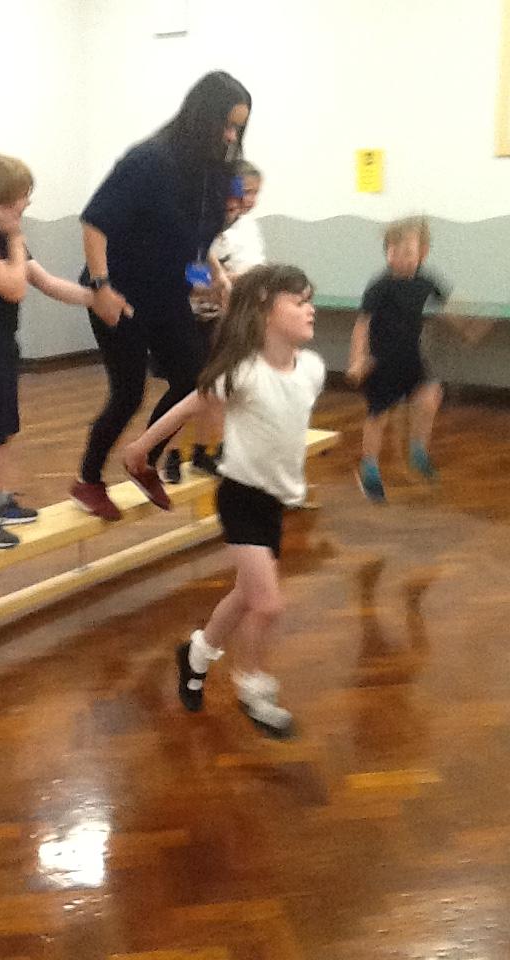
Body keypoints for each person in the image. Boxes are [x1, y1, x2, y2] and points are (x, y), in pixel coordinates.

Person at [124, 264, 325, 736]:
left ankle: (196, 654)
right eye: (298, 301)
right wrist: (141, 448)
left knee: (243, 595)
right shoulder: (242, 373)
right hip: (240, 498)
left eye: (309, 300)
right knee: (267, 604)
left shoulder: (312, 370)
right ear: (264, 311)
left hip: (274, 502)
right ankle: (252, 688)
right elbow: (191, 404)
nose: (310, 309)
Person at [71, 71, 252, 521]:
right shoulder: (149, 160)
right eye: (226, 124)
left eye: (239, 128)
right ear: (203, 116)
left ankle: (143, 459)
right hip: (121, 295)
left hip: (168, 294)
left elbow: (195, 240)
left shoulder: (215, 172)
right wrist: (101, 287)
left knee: (196, 379)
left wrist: (215, 275)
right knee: (128, 392)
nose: (231, 136)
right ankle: (88, 479)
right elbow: (95, 223)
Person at [0, 153, 122, 547]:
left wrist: (95, 298)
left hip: (0, 345)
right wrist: (16, 239)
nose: (27, 203)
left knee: (3, 431)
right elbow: (14, 287)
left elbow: (45, 282)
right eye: (21, 195)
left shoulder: (1, 237)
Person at [164, 159, 267, 483]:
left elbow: (255, 273)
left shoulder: (246, 228)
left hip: (220, 318)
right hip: (184, 316)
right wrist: (220, 279)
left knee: (217, 386)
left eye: (254, 193)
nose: (247, 201)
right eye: (243, 193)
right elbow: (190, 277)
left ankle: (206, 450)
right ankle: (170, 454)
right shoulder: (198, 223)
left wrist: (224, 280)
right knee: (183, 388)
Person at [347, 217, 452, 503]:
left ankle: (418, 451)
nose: (398, 258)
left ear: (422, 253)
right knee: (378, 417)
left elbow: (446, 300)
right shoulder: (380, 286)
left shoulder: (426, 281)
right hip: (381, 363)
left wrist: (465, 321)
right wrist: (357, 359)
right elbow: (362, 324)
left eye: (407, 252)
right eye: (392, 251)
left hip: (411, 359)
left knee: (430, 397)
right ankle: (369, 468)